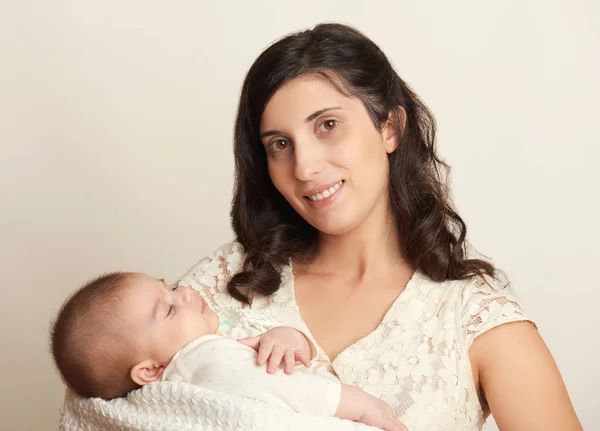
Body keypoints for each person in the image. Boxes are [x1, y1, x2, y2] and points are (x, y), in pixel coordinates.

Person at [170, 22, 582, 430]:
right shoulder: (221, 284)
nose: (305, 167)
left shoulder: (471, 317)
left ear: (390, 128)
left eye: (327, 125)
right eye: (280, 144)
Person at [50, 271, 406, 431]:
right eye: (170, 308)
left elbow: (269, 358)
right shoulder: (203, 358)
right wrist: (364, 406)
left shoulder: (198, 355)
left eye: (171, 287)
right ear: (149, 371)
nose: (186, 293)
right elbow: (291, 389)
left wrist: (289, 338)